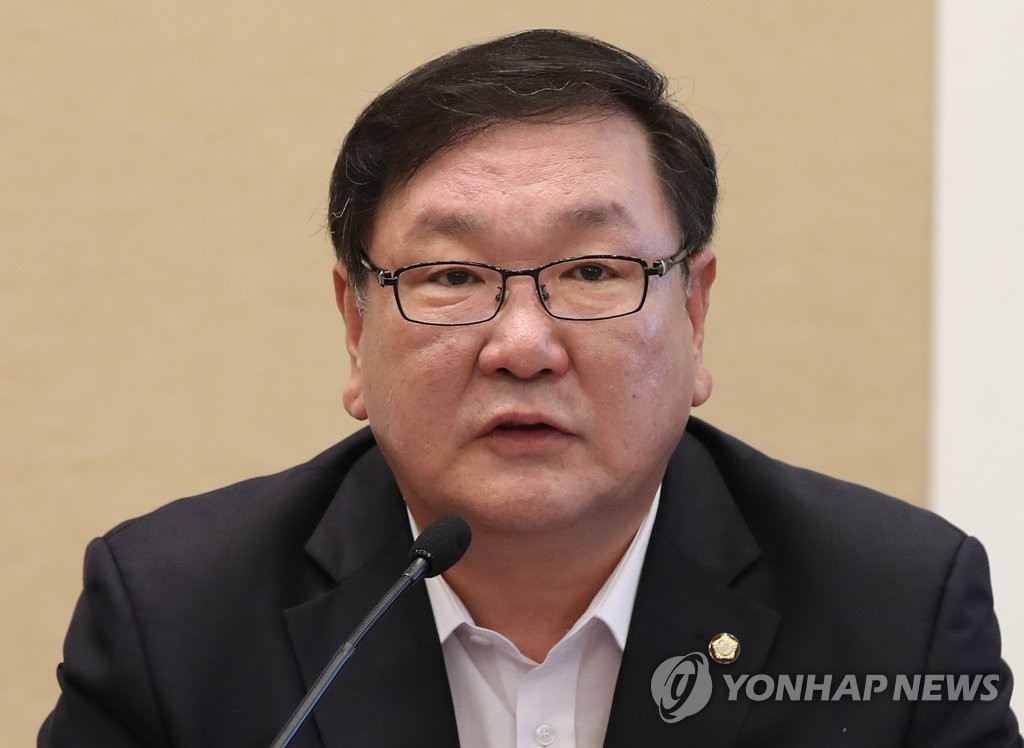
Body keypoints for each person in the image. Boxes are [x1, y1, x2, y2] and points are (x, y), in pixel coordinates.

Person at [40, 29, 1020, 748]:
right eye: (451, 276)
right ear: (355, 327)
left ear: (694, 314)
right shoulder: (176, 616)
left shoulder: (894, 609)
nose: (521, 345)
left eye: (592, 271)